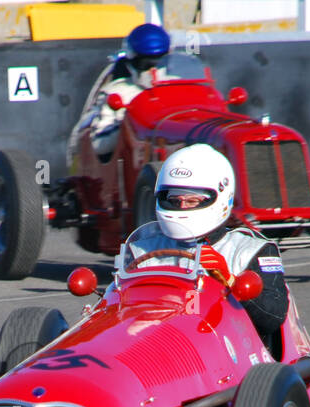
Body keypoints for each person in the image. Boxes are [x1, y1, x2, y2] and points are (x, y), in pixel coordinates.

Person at [149, 144, 289, 353]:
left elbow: (274, 317)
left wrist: (231, 281)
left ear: (221, 197)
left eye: (192, 200)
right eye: (174, 200)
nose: (182, 207)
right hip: (157, 347)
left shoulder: (251, 250)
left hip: (230, 354)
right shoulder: (143, 250)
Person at [70, 22, 172, 164]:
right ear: (133, 62)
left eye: (159, 63)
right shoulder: (116, 92)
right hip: (134, 167)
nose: (153, 70)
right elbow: (100, 145)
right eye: (146, 64)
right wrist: (126, 125)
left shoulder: (182, 87)